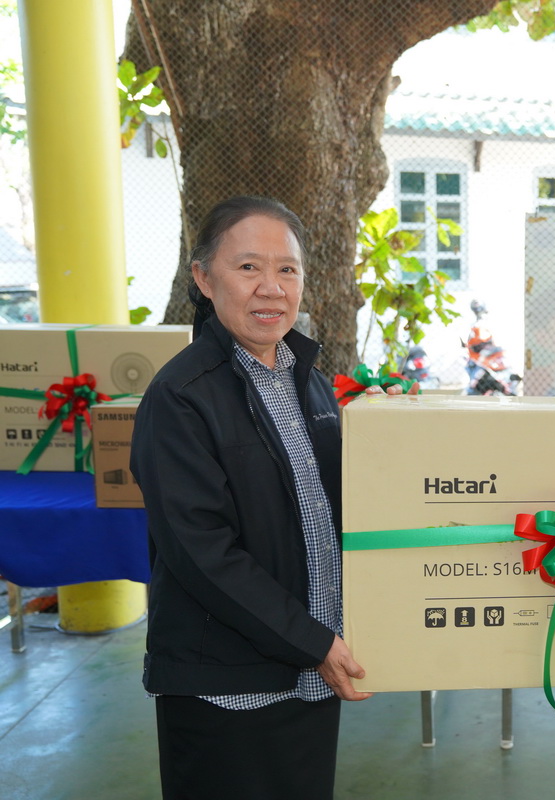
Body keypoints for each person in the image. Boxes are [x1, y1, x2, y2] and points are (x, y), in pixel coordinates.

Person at [130, 196, 393, 799]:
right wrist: (314, 643)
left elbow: (329, 510)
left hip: (311, 675)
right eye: (248, 267)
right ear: (204, 278)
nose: (271, 288)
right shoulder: (180, 397)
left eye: (287, 269)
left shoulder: (308, 381)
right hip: (230, 686)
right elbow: (202, 554)